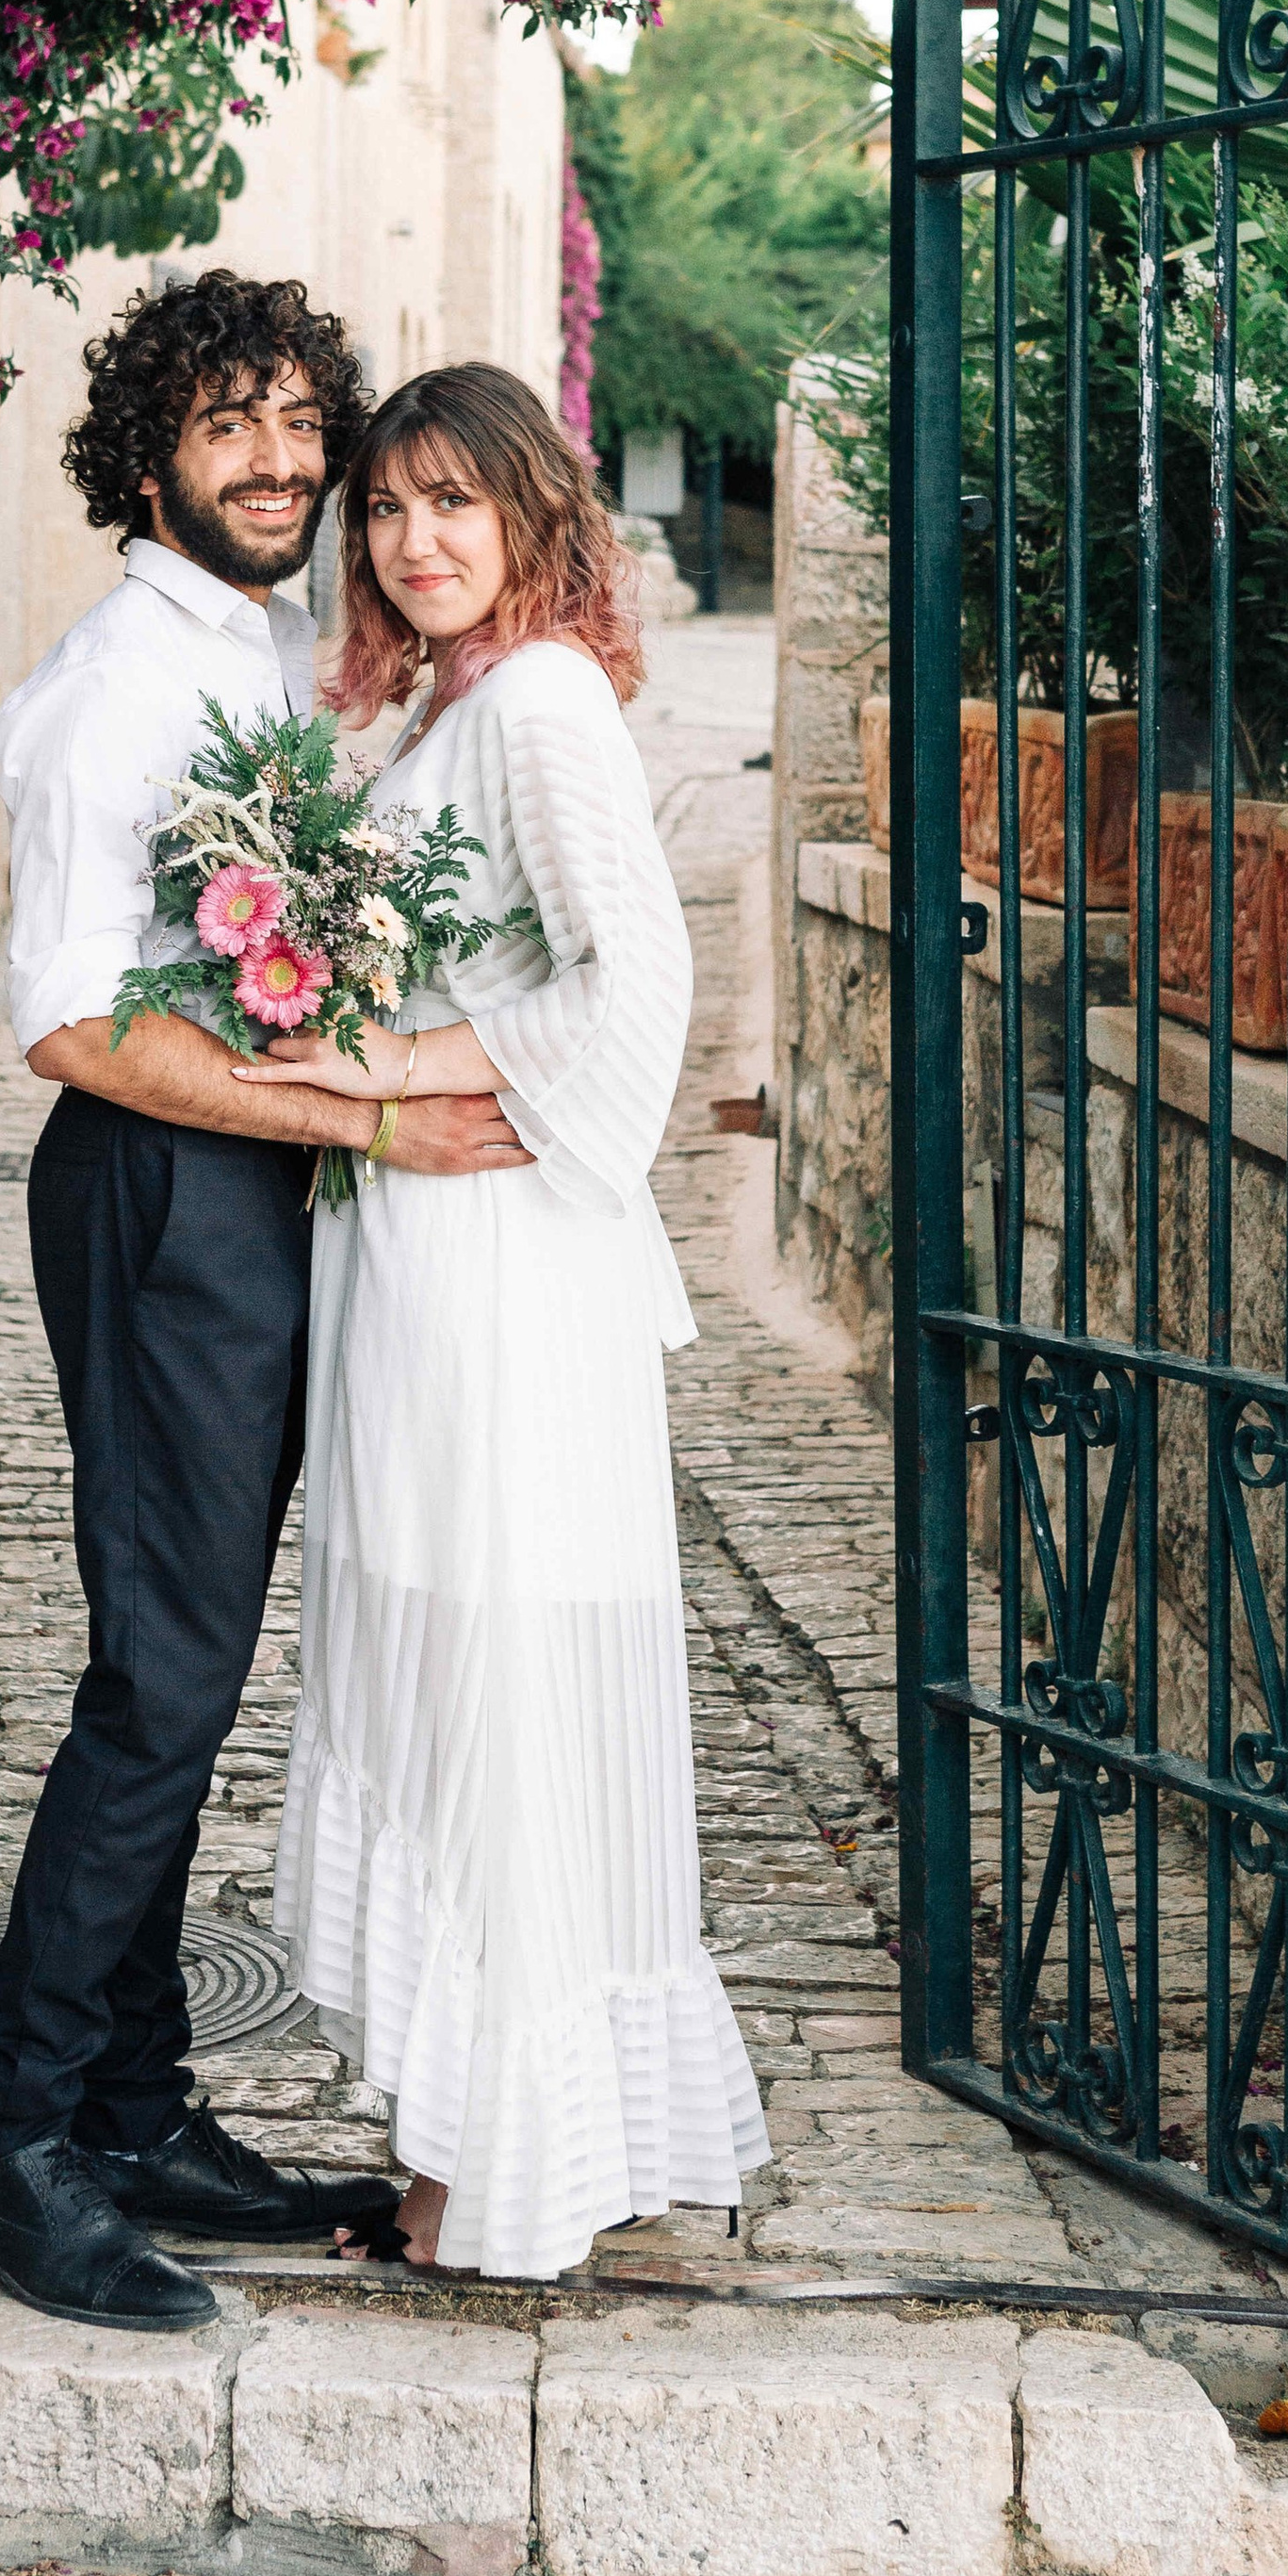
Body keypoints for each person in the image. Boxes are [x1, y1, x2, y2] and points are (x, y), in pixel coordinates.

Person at [0, 275, 541, 2333]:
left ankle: (130, 2100)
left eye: (297, 422)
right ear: (147, 459)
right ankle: (5, 2147)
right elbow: (72, 1026)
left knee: (186, 1664)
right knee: (160, 1683)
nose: (277, 460)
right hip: (156, 1194)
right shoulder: (117, 685)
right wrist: (348, 1105)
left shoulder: (272, 644)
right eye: (225, 427)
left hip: (251, 1191)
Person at [230, 361, 772, 2278]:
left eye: (454, 503)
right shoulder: (433, 704)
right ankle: (476, 2143)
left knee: (502, 1682)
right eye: (386, 510)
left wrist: (402, 1049)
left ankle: (505, 2167)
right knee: (441, 1663)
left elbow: (638, 986)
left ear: (533, 516)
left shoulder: (538, 701)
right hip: (409, 1245)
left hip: (501, 1254)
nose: (413, 539)